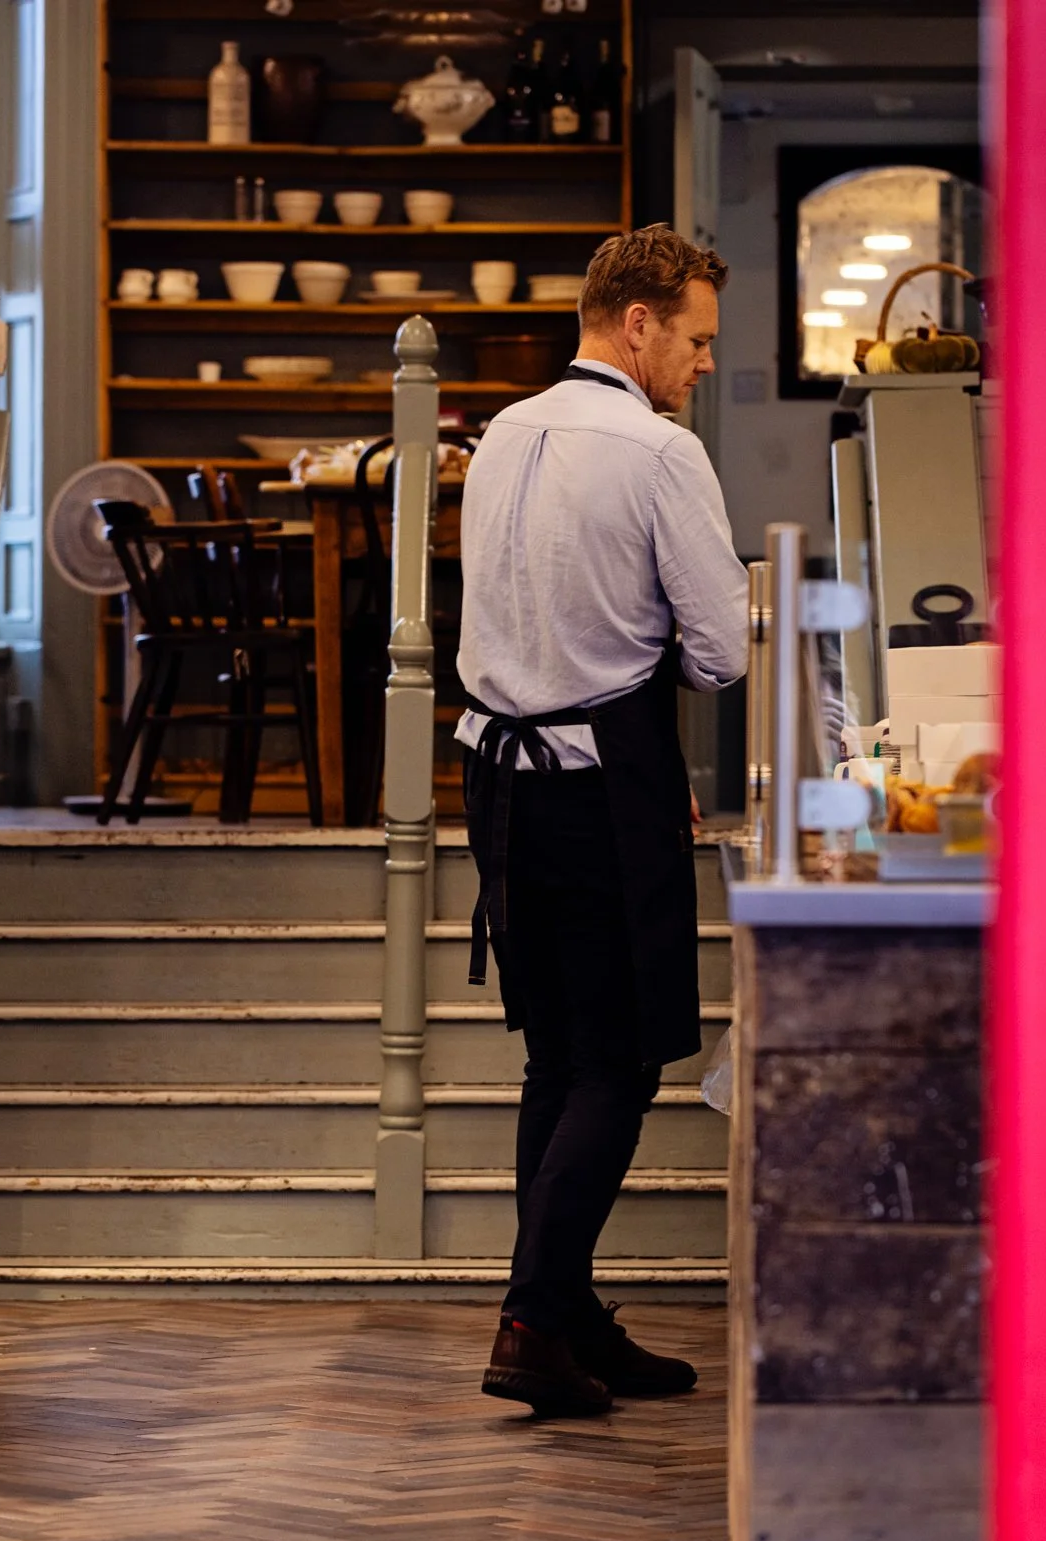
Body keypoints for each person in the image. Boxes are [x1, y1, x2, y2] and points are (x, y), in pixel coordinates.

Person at [457, 224, 749, 1417]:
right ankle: (531, 1318)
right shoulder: (660, 452)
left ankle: (567, 1315)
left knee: (556, 1059)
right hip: (599, 776)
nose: (703, 364)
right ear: (638, 324)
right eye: (696, 339)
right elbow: (724, 656)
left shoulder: (499, 437)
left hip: (495, 778)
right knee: (619, 1063)